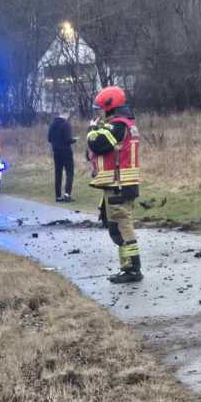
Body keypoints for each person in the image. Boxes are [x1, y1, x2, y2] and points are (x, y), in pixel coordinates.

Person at [87, 86, 143, 284]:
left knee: (121, 226)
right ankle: (127, 267)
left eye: (101, 109)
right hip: (120, 184)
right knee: (117, 227)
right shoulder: (124, 124)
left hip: (119, 184)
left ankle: (132, 269)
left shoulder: (118, 125)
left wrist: (92, 130)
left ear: (110, 107)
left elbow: (97, 144)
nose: (99, 114)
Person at [48, 110, 75, 202]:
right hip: (66, 152)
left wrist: (56, 142)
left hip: (56, 152)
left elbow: (49, 139)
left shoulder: (52, 124)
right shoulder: (66, 124)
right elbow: (68, 140)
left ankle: (58, 196)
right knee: (69, 173)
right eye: (68, 115)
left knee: (58, 173)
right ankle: (67, 195)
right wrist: (74, 140)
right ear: (66, 114)